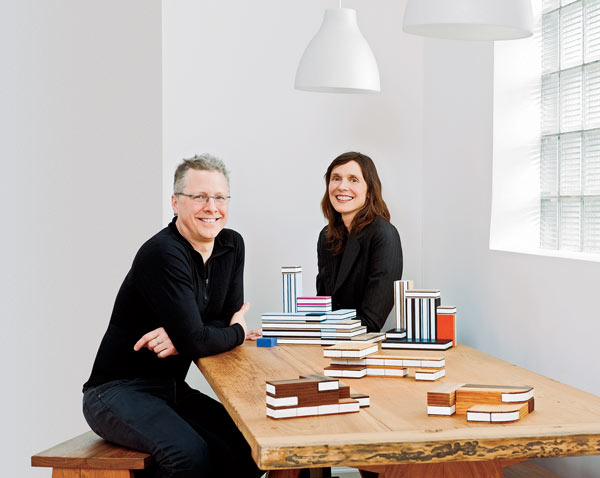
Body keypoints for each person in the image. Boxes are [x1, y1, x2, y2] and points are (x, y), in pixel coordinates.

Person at [82, 154, 262, 478]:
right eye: (200, 197)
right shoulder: (163, 253)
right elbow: (208, 334)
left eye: (220, 197)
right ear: (175, 202)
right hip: (116, 392)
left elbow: (212, 324)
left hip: (169, 388)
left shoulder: (232, 246)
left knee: (247, 449)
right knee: (188, 455)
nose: (212, 206)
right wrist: (229, 332)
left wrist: (192, 335)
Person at [316, 151, 403, 332]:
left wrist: (312, 329)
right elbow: (321, 309)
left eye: (353, 179)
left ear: (370, 191)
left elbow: (371, 321)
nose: (342, 186)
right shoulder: (326, 237)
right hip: (327, 346)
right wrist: (281, 328)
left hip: (361, 352)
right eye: (336, 178)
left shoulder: (384, 235)